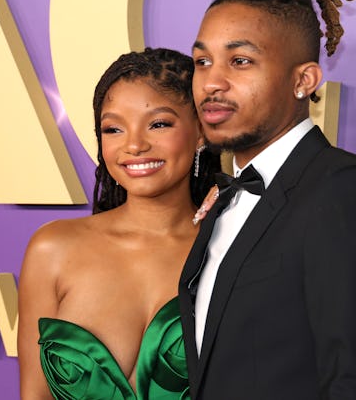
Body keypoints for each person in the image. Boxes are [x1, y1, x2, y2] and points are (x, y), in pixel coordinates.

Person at [178, 0, 356, 399]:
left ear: (303, 81)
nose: (211, 82)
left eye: (239, 61)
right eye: (202, 61)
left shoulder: (348, 194)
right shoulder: (225, 199)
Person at [18, 48, 220, 399]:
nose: (135, 145)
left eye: (159, 124)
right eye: (113, 129)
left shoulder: (231, 248)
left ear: (201, 132)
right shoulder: (52, 249)